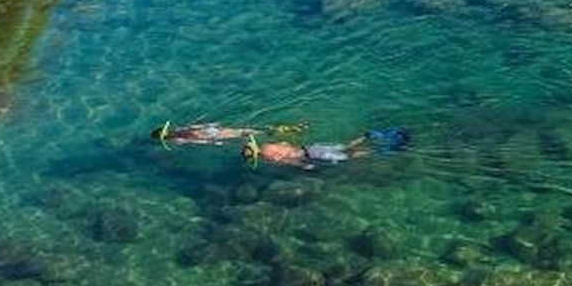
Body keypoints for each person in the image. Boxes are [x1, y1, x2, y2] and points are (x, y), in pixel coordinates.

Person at [240, 127, 410, 170]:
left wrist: (304, 166)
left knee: (347, 156)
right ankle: (367, 135)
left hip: (312, 154)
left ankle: (380, 150)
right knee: (344, 146)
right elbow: (286, 146)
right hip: (311, 146)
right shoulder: (268, 145)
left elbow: (289, 160)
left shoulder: (269, 157)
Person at [151, 120, 309, 149]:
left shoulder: (176, 139)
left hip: (210, 136)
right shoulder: (178, 129)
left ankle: (286, 131)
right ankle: (288, 129)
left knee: (244, 134)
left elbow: (195, 142)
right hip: (211, 131)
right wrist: (210, 125)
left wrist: (211, 143)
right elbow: (194, 127)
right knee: (244, 131)